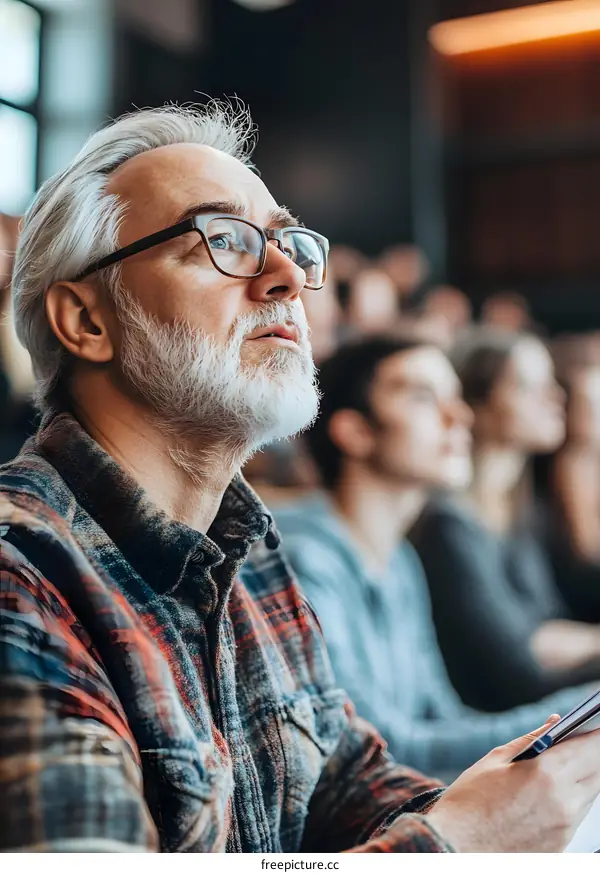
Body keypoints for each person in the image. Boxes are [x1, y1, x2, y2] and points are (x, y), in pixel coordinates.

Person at [1, 103, 599, 854]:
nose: (288, 276)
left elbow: (346, 783)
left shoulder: (249, 552)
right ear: (87, 320)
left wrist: (517, 794)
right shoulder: (21, 572)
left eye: (287, 244)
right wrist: (452, 844)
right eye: (222, 241)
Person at [274, 335, 597, 781]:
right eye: (424, 397)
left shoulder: (402, 560)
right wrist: (576, 712)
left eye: (455, 397)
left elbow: (443, 717)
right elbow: (382, 746)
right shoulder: (304, 563)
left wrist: (581, 711)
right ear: (356, 431)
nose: (459, 416)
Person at [413, 328, 600, 713]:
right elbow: (517, 670)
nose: (556, 397)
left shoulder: (519, 505)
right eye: (532, 385)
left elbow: (547, 621)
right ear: (479, 404)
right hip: (497, 724)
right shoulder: (446, 526)